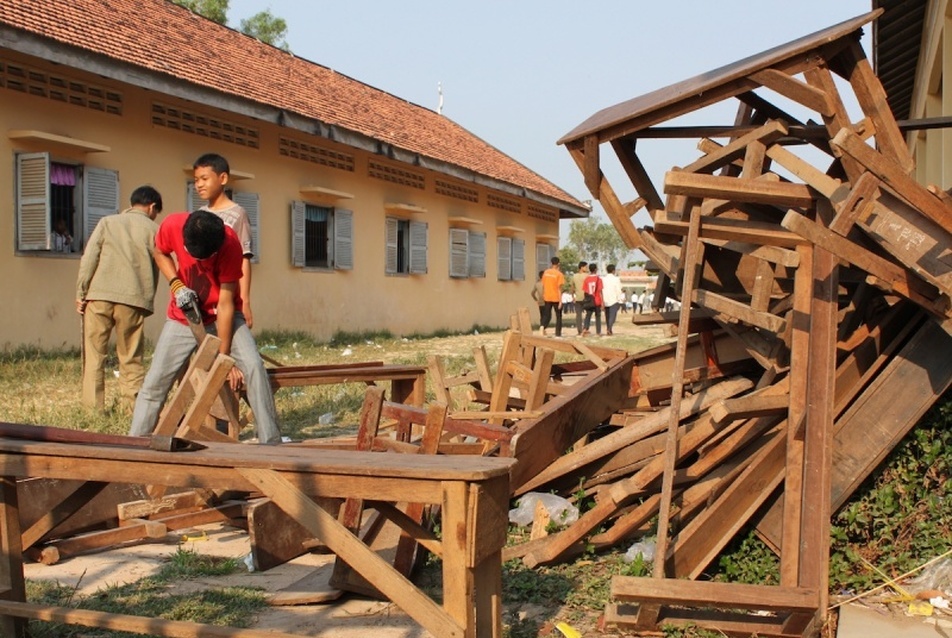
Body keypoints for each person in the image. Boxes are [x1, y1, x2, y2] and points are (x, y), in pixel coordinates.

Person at [130, 210, 282, 444]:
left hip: (224, 315)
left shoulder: (230, 244)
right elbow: (159, 252)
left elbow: (225, 304)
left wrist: (223, 358)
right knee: (156, 382)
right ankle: (134, 447)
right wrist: (177, 284)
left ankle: (270, 444)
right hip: (184, 316)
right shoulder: (173, 225)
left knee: (253, 366)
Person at [75, 186, 162, 412]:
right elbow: (159, 266)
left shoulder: (107, 222)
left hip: (98, 296)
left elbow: (89, 258)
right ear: (152, 207)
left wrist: (81, 293)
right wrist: (148, 299)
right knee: (130, 357)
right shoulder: (155, 229)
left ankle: (92, 410)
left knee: (95, 356)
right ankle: (131, 409)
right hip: (133, 299)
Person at [193, 153, 257, 329]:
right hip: (202, 298)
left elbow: (244, 259)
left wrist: (245, 301)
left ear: (223, 178)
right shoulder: (199, 214)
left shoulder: (238, 214)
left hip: (227, 296)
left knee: (226, 346)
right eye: (196, 180)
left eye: (204, 179)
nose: (199, 185)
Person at [540, 256, 565, 337]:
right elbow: (559, 288)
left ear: (551, 263)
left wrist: (544, 295)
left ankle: (542, 327)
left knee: (546, 314)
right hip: (556, 298)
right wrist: (560, 301)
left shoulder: (546, 273)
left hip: (547, 297)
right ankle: (558, 333)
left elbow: (543, 285)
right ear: (558, 264)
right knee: (558, 316)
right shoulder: (559, 274)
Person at [602, 264, 625, 335]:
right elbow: (618, 290)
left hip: (605, 299)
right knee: (612, 316)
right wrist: (620, 299)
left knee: (607, 316)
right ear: (613, 271)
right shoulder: (616, 279)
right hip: (614, 300)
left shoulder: (603, 279)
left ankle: (609, 328)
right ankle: (609, 328)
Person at [582, 263, 604, 336]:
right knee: (598, 316)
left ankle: (585, 328)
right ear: (595, 269)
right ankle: (598, 332)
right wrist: (602, 302)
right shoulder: (598, 279)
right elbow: (600, 291)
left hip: (589, 300)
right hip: (597, 300)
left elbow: (585, 291)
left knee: (588, 315)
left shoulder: (586, 279)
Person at [571, 261, 588, 335]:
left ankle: (579, 330)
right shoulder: (587, 276)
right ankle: (585, 328)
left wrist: (572, 296)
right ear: (582, 267)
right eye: (586, 267)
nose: (587, 268)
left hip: (577, 298)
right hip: (586, 297)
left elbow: (572, 287)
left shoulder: (574, 276)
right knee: (588, 314)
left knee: (578, 315)